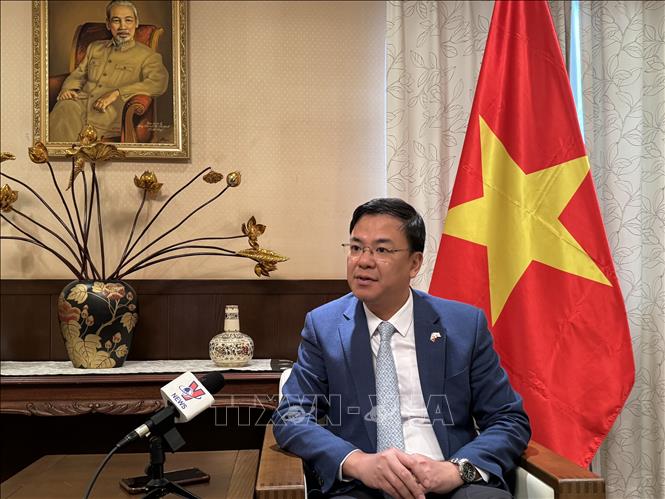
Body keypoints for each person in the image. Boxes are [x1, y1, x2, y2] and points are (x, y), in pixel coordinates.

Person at [272, 198, 530, 499]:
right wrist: (358, 462)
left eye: (381, 250)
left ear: (414, 263)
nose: (363, 261)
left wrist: (456, 470)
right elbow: (291, 416)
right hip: (361, 487)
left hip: (452, 483)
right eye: (356, 247)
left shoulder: (463, 325)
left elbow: (508, 420)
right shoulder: (324, 326)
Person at [49, 0, 168, 142]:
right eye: (116, 21)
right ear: (108, 24)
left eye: (128, 20)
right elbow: (79, 74)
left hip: (107, 117)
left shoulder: (148, 56)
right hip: (77, 107)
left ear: (136, 23)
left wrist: (117, 93)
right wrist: (67, 89)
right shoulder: (95, 47)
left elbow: (158, 83)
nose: (123, 27)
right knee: (63, 110)